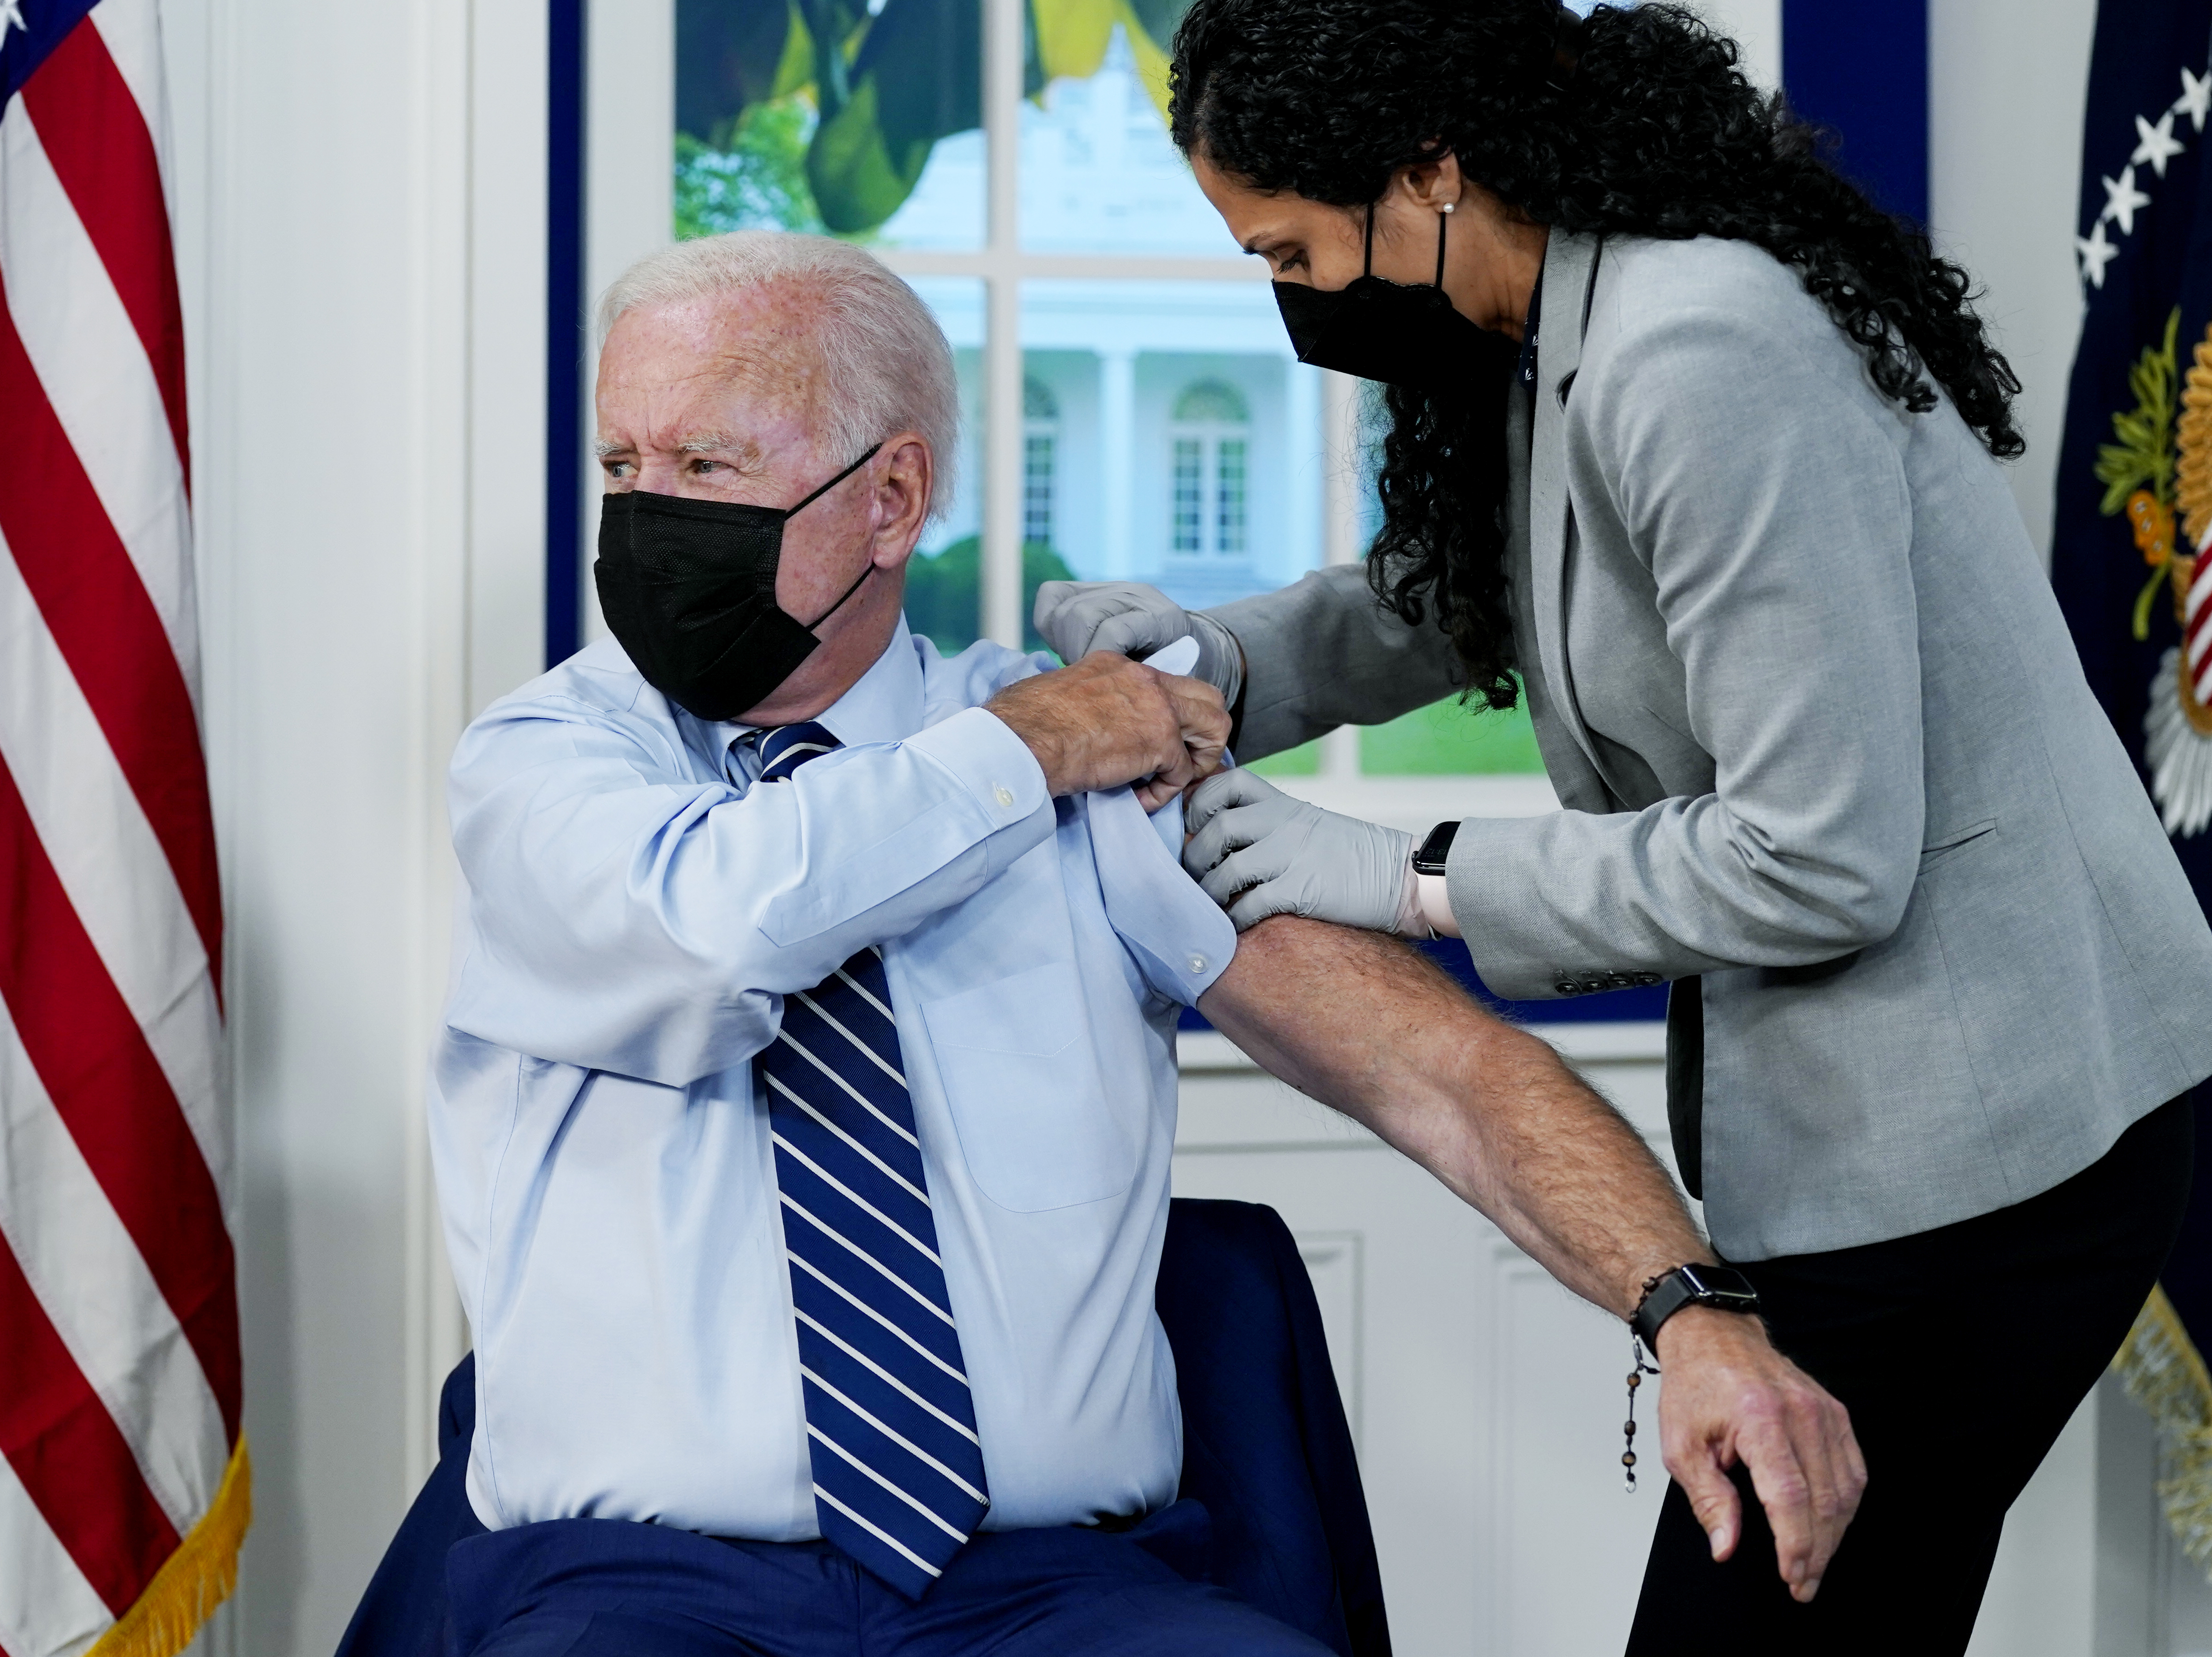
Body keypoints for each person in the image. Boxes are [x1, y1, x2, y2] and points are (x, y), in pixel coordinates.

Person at [427, 229, 1859, 1657]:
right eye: (623, 465)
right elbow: (723, 923)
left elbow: (1440, 1076)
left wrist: (1691, 1312)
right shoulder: (548, 767)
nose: (647, 514)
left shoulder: (1099, 774)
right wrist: (1031, 743)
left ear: (891, 497)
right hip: (637, 1584)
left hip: (1051, 1591)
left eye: (705, 465)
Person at [1033, 2, 2212, 1650]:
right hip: (1886, 1126)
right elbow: (1467, 591)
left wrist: (1401, 874)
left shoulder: (1698, 348)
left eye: (1290, 253)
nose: (1289, 295)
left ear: (1426, 171)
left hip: (1993, 1136)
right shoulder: (1562, 311)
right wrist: (1212, 661)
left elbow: (1815, 859)